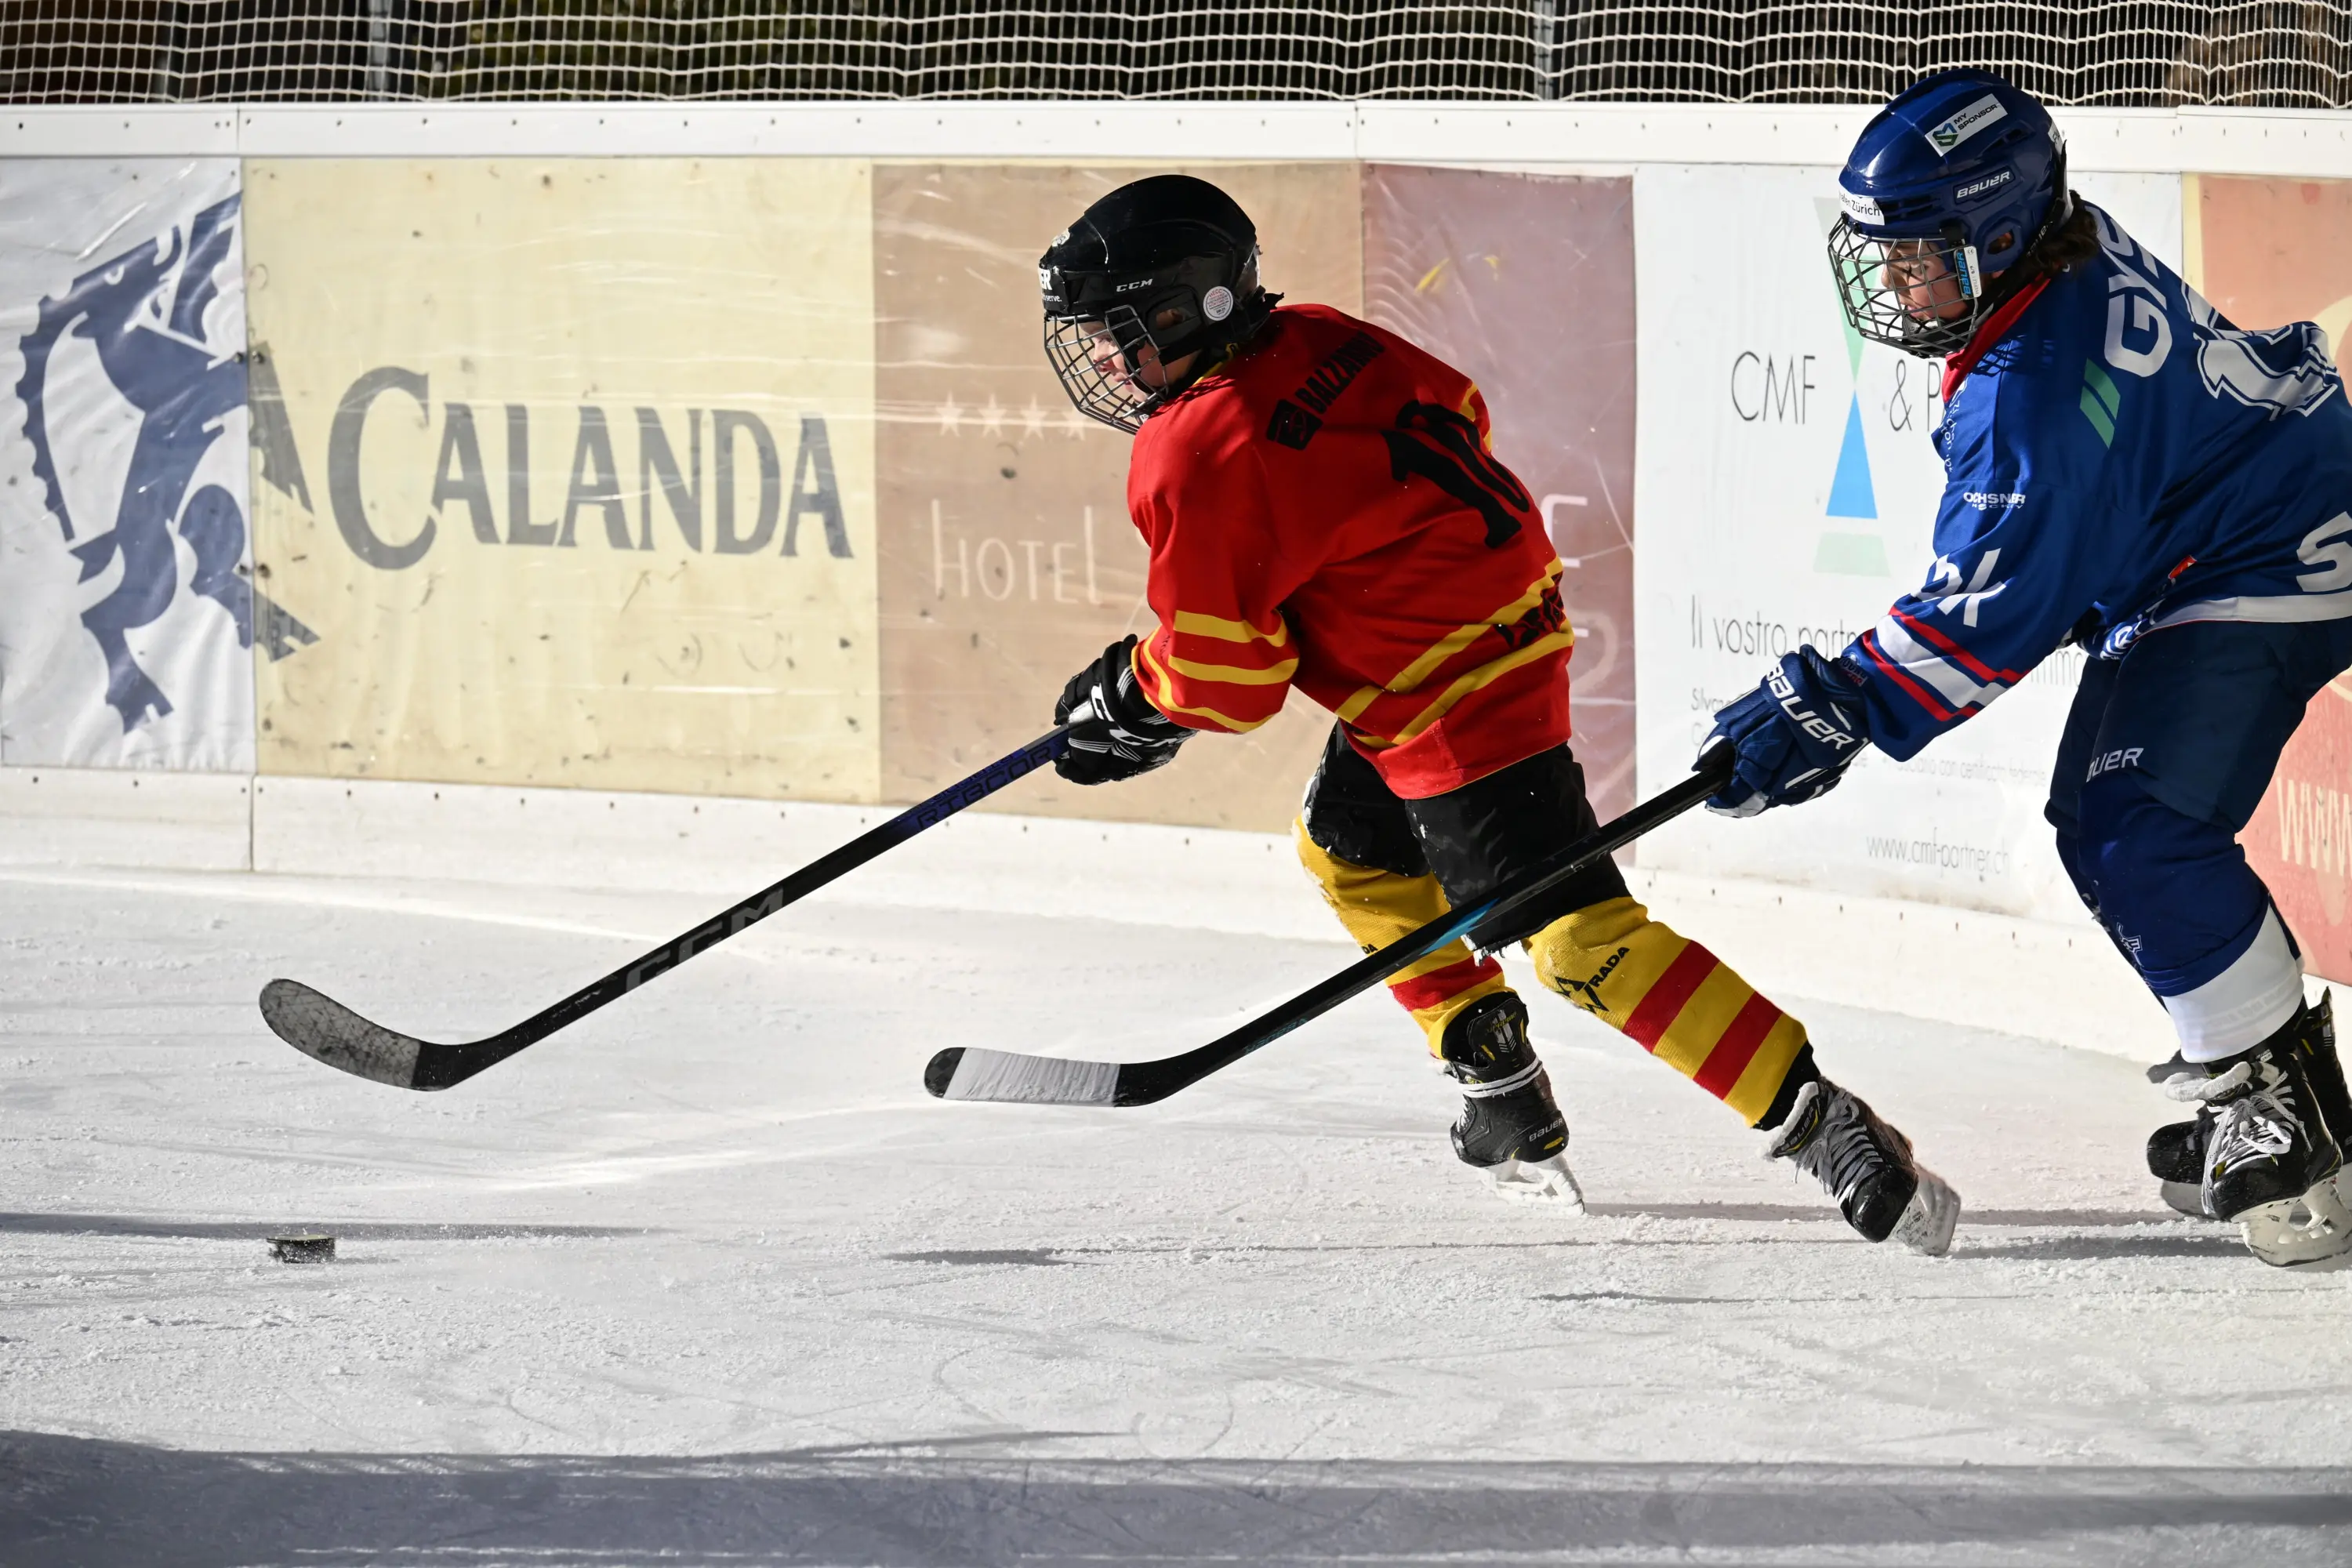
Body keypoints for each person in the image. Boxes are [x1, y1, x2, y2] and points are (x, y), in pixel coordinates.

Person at [1036, 173, 1958, 1254]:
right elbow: (1455, 413)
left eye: (1119, 329)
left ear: (1199, 306)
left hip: (1449, 701)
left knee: (1578, 944)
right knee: (1350, 852)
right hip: (1488, 637)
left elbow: (1232, 674)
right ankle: (1498, 1081)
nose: (1102, 357)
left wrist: (1137, 698)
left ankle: (1821, 1121)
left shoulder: (1196, 447)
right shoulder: (1324, 336)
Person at [1700, 67, 2352, 1266]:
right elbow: (2053, 553)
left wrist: (1832, 709)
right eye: (1886, 257)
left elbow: (1990, 613)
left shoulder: (2034, 390)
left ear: (2000, 234)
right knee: (2102, 815)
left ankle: (2286, 1113)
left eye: (1924, 257)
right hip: (2239, 521)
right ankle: (2267, 1079)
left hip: (2270, 547)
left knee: (2130, 819)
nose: (1898, 284)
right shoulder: (2053, 258)